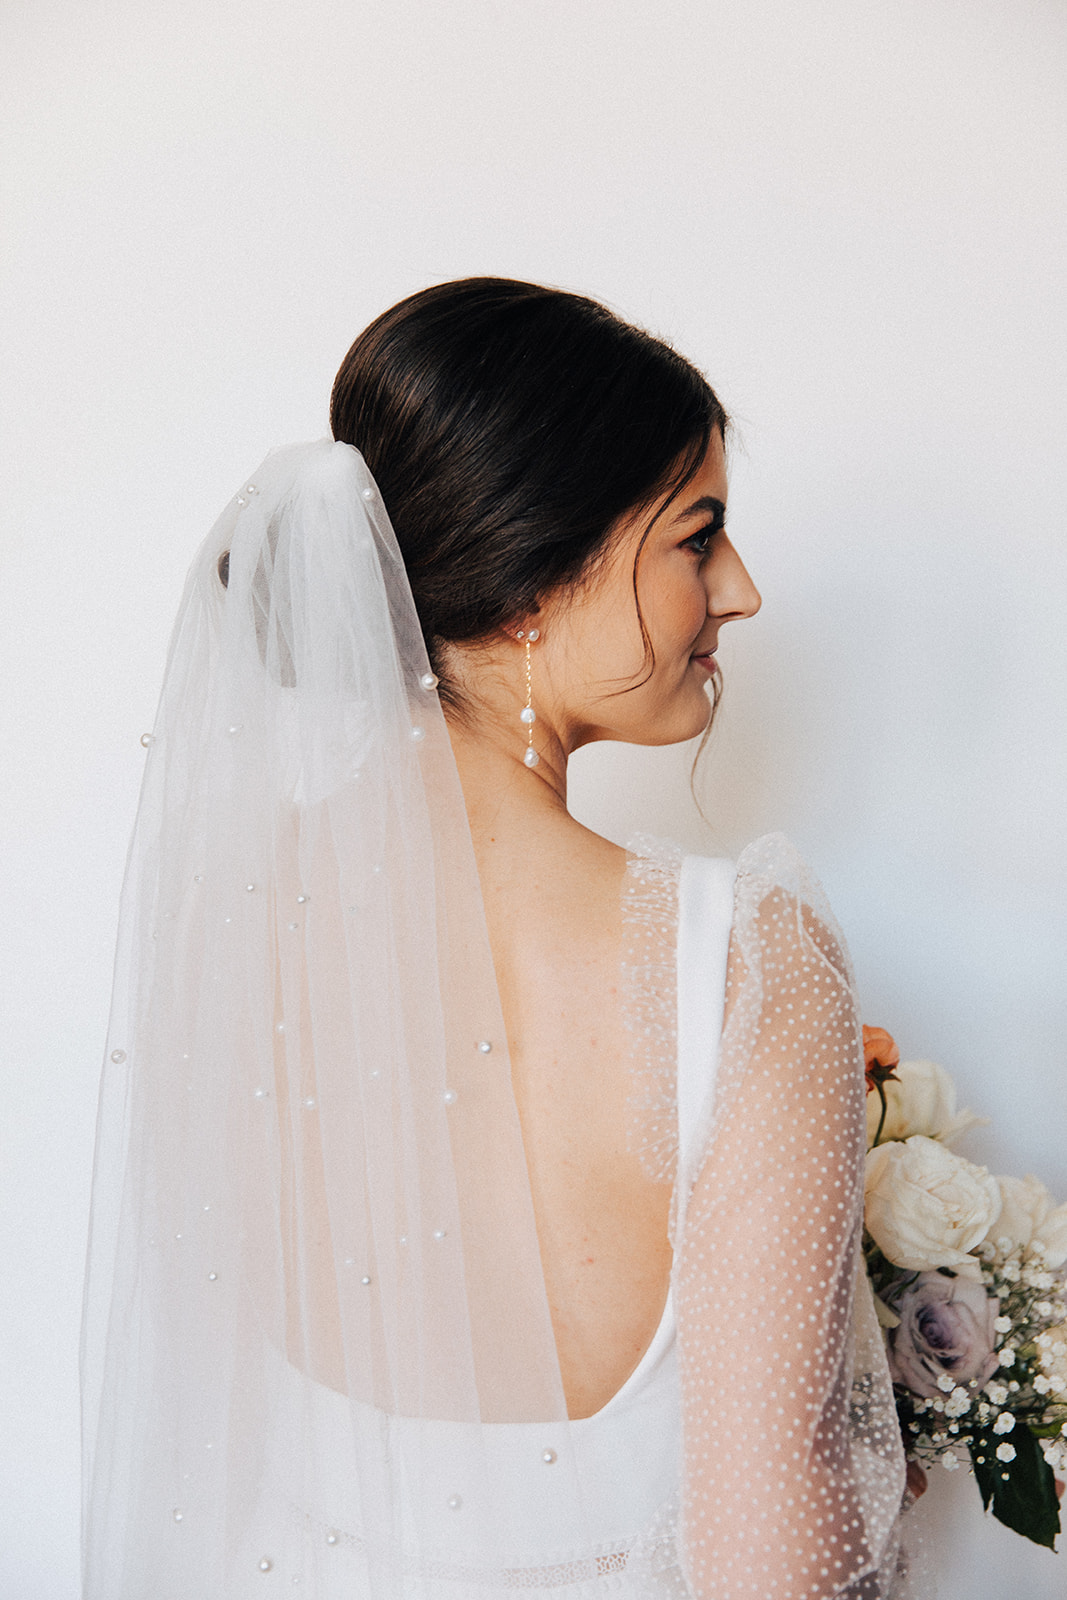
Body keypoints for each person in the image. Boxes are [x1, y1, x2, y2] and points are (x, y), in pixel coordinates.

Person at [82, 279, 909, 1598]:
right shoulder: (744, 965)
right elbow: (776, 1554)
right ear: (533, 583)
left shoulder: (234, 914)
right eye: (699, 536)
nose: (741, 591)